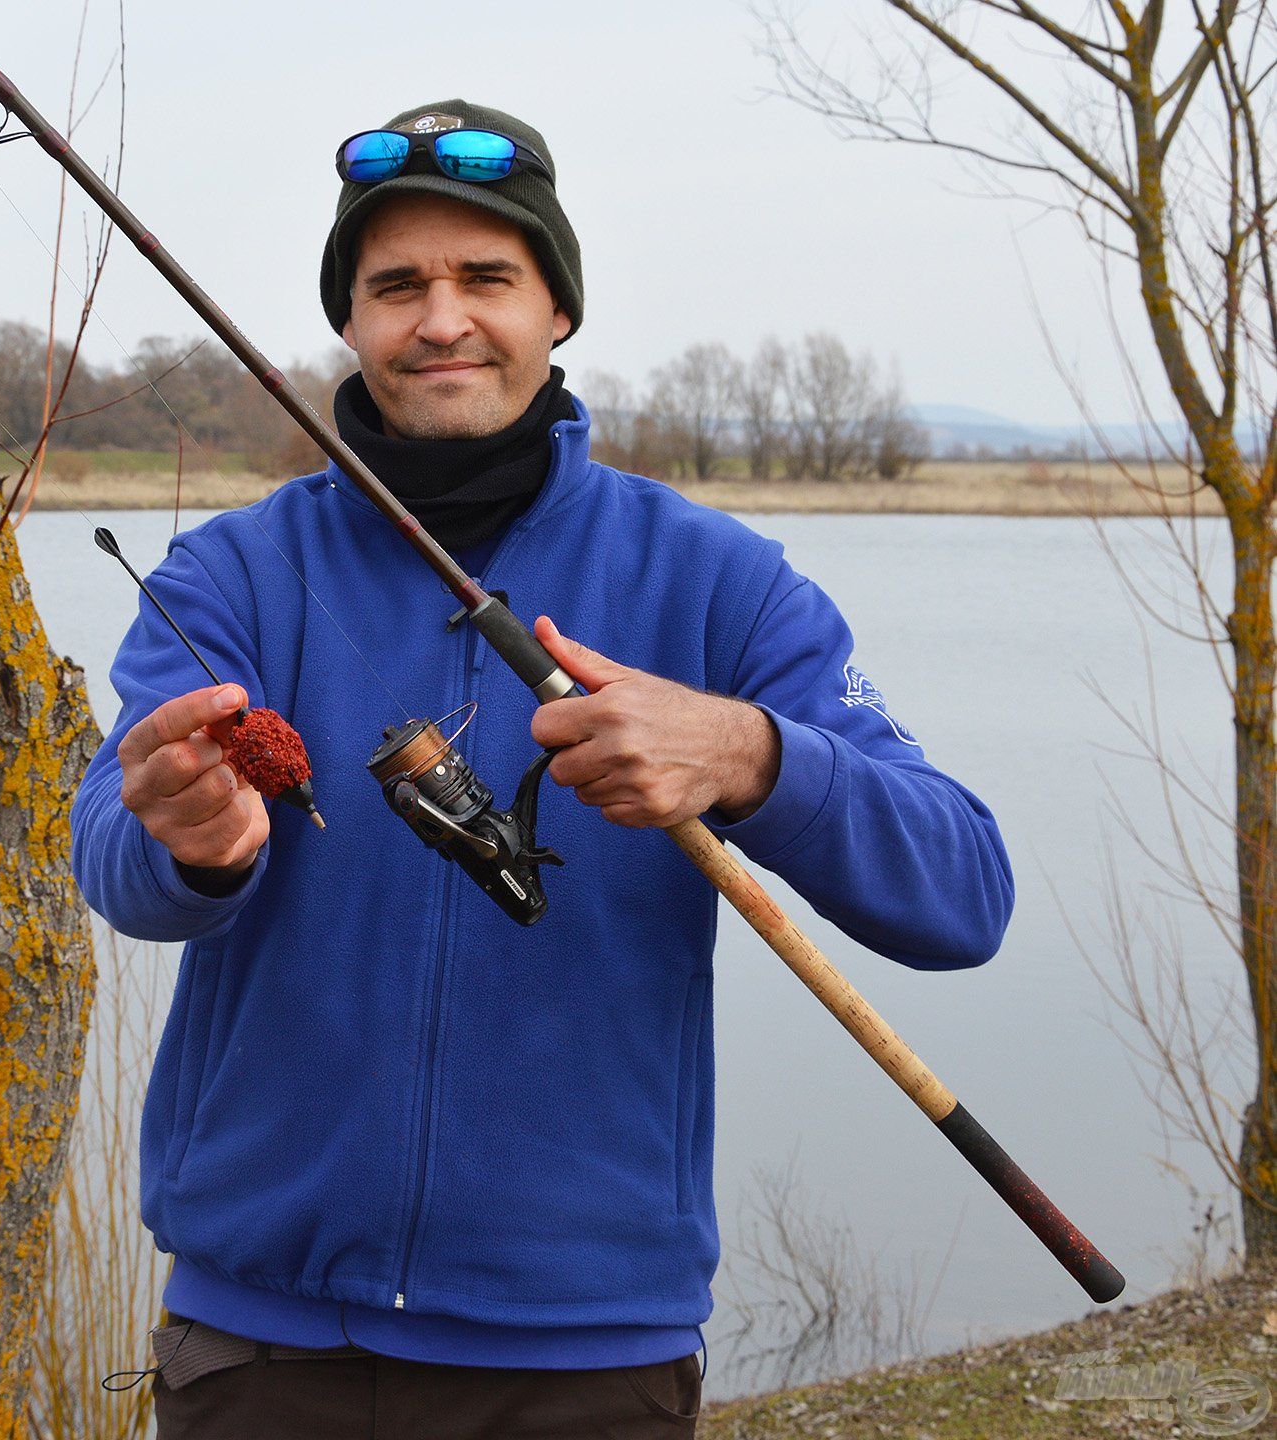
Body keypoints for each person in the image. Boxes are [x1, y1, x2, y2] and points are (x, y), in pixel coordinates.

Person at [70, 99, 1015, 1439]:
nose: (440, 318)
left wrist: (748, 754)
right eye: (396, 284)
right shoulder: (229, 572)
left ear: (556, 310)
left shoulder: (718, 580)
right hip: (262, 1347)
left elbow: (964, 893)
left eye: (487, 279)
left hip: (590, 1360)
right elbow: (112, 853)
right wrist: (188, 839)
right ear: (351, 320)